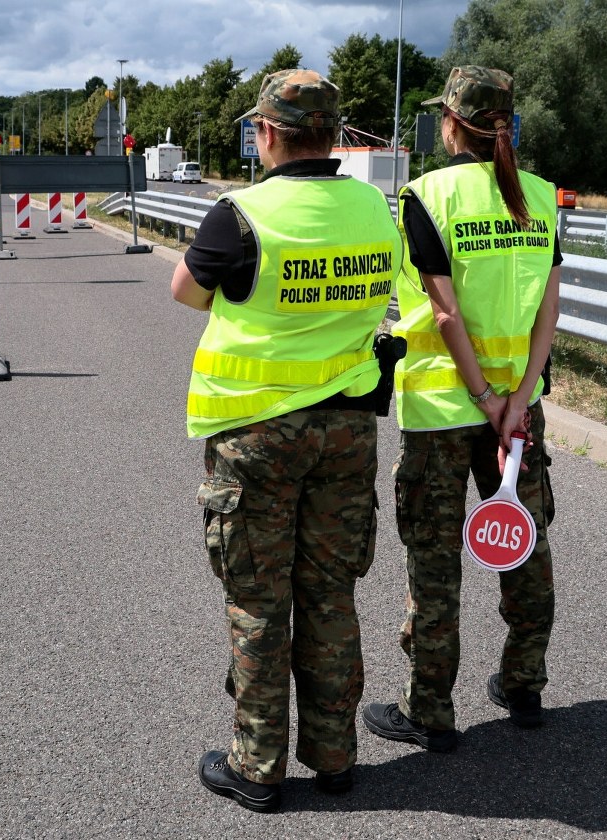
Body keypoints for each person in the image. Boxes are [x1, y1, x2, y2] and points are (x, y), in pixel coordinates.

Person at [171, 68, 402, 813]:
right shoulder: (372, 207)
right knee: (330, 592)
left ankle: (259, 765)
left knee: (260, 601)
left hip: (257, 437)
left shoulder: (240, 214)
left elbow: (186, 290)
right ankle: (336, 757)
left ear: (265, 133)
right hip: (346, 431)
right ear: (333, 136)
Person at [362, 66, 563, 752]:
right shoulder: (538, 194)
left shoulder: (426, 194)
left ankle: (430, 711)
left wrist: (481, 397)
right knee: (523, 541)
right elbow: (548, 312)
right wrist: (516, 401)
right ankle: (524, 684)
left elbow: (444, 313)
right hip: (518, 408)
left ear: (450, 123)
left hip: (448, 408)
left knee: (436, 557)